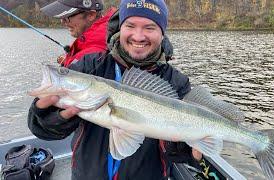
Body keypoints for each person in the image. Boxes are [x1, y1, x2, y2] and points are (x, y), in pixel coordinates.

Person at [28, 0, 202, 179]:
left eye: (150, 28)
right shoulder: (90, 65)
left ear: (162, 33)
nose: (138, 36)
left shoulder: (177, 82)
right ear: (120, 27)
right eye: (130, 25)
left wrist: (184, 148)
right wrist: (49, 117)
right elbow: (40, 129)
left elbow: (181, 156)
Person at [40, 0, 117, 67]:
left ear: (91, 15)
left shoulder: (93, 55)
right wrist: (69, 59)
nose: (63, 22)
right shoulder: (108, 39)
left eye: (67, 17)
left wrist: (73, 64)